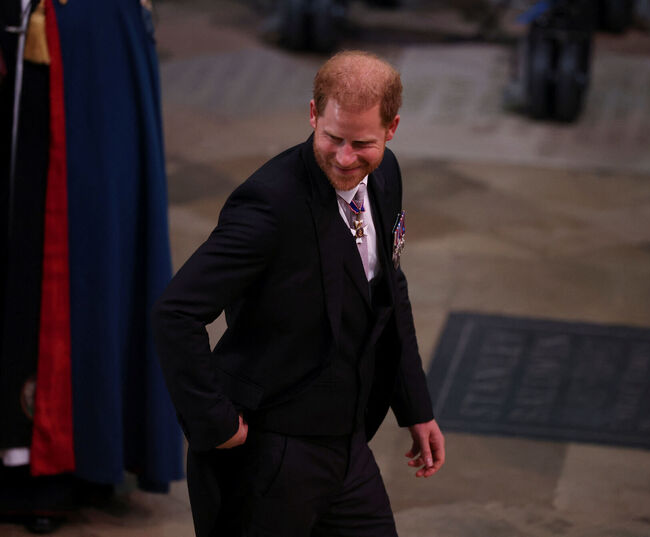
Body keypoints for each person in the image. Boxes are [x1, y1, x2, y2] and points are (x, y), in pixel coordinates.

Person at [152, 50, 445, 537]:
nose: (346, 158)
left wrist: (416, 406)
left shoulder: (385, 175)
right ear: (313, 114)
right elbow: (175, 312)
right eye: (332, 138)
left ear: (392, 129)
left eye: (362, 143)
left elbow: (391, 292)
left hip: (348, 447)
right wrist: (216, 423)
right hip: (270, 454)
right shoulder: (269, 205)